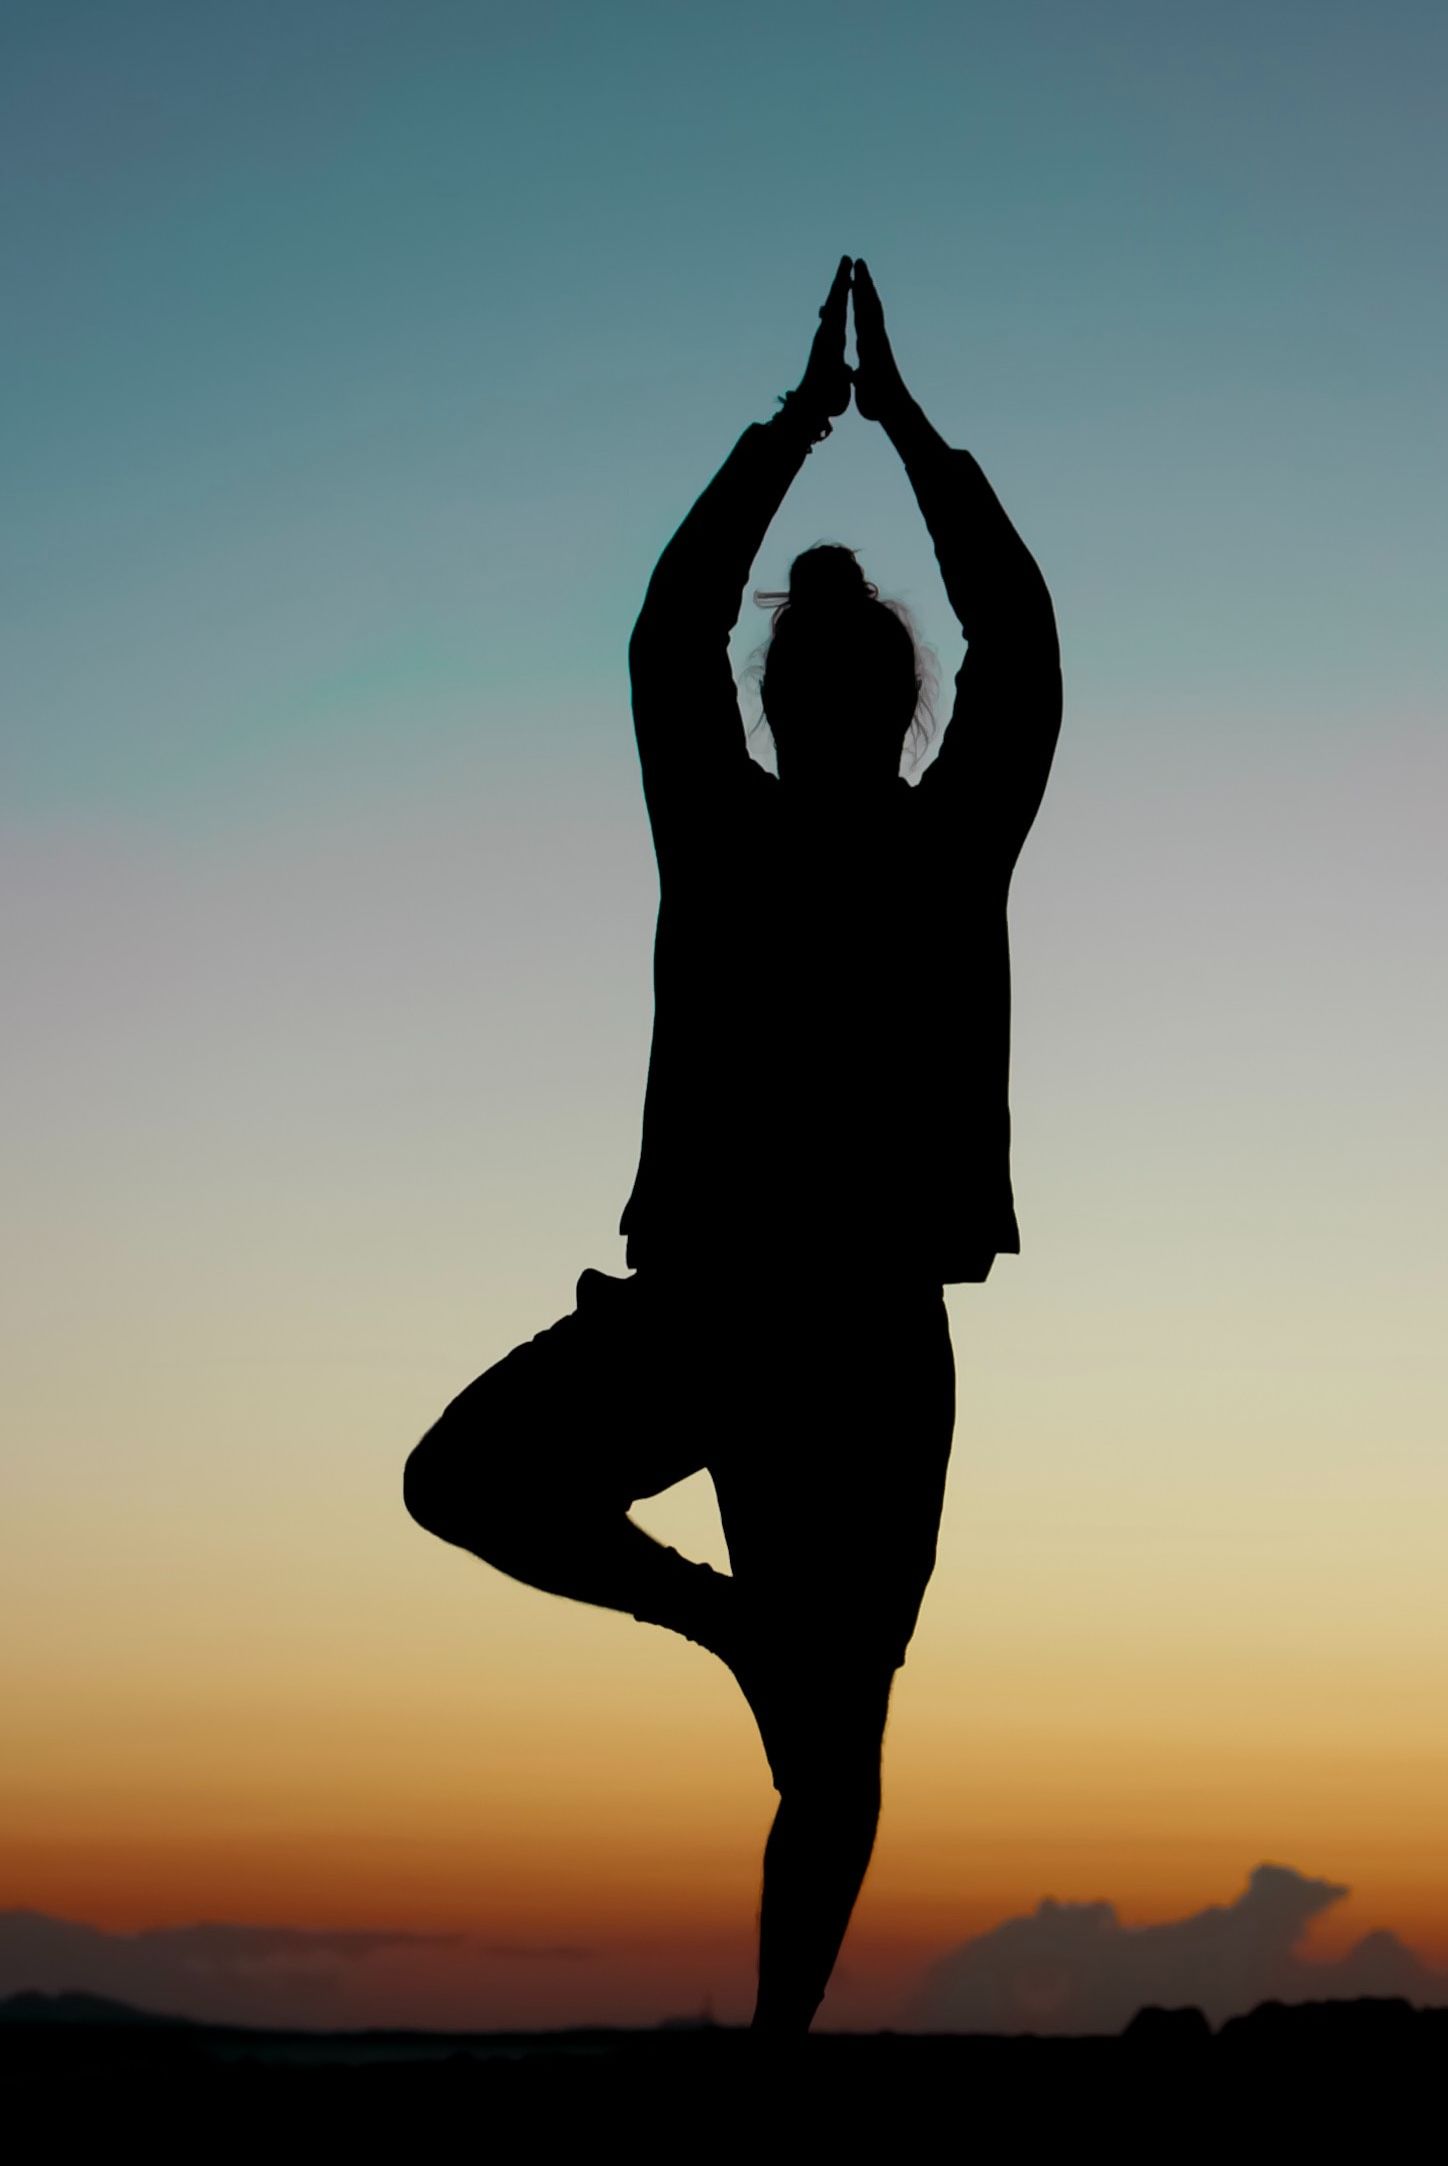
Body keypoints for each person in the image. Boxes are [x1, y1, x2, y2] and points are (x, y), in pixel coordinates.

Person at [404, 256, 1062, 2037]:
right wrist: (903, 433)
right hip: (804, 1329)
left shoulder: (782, 831)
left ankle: (771, 1990)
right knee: (830, 1741)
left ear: (792, 700)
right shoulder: (921, 838)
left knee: (477, 1490)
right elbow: (1019, 634)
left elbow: (670, 627)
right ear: (882, 699)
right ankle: (773, 1973)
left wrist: (801, 430)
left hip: (764, 1328)